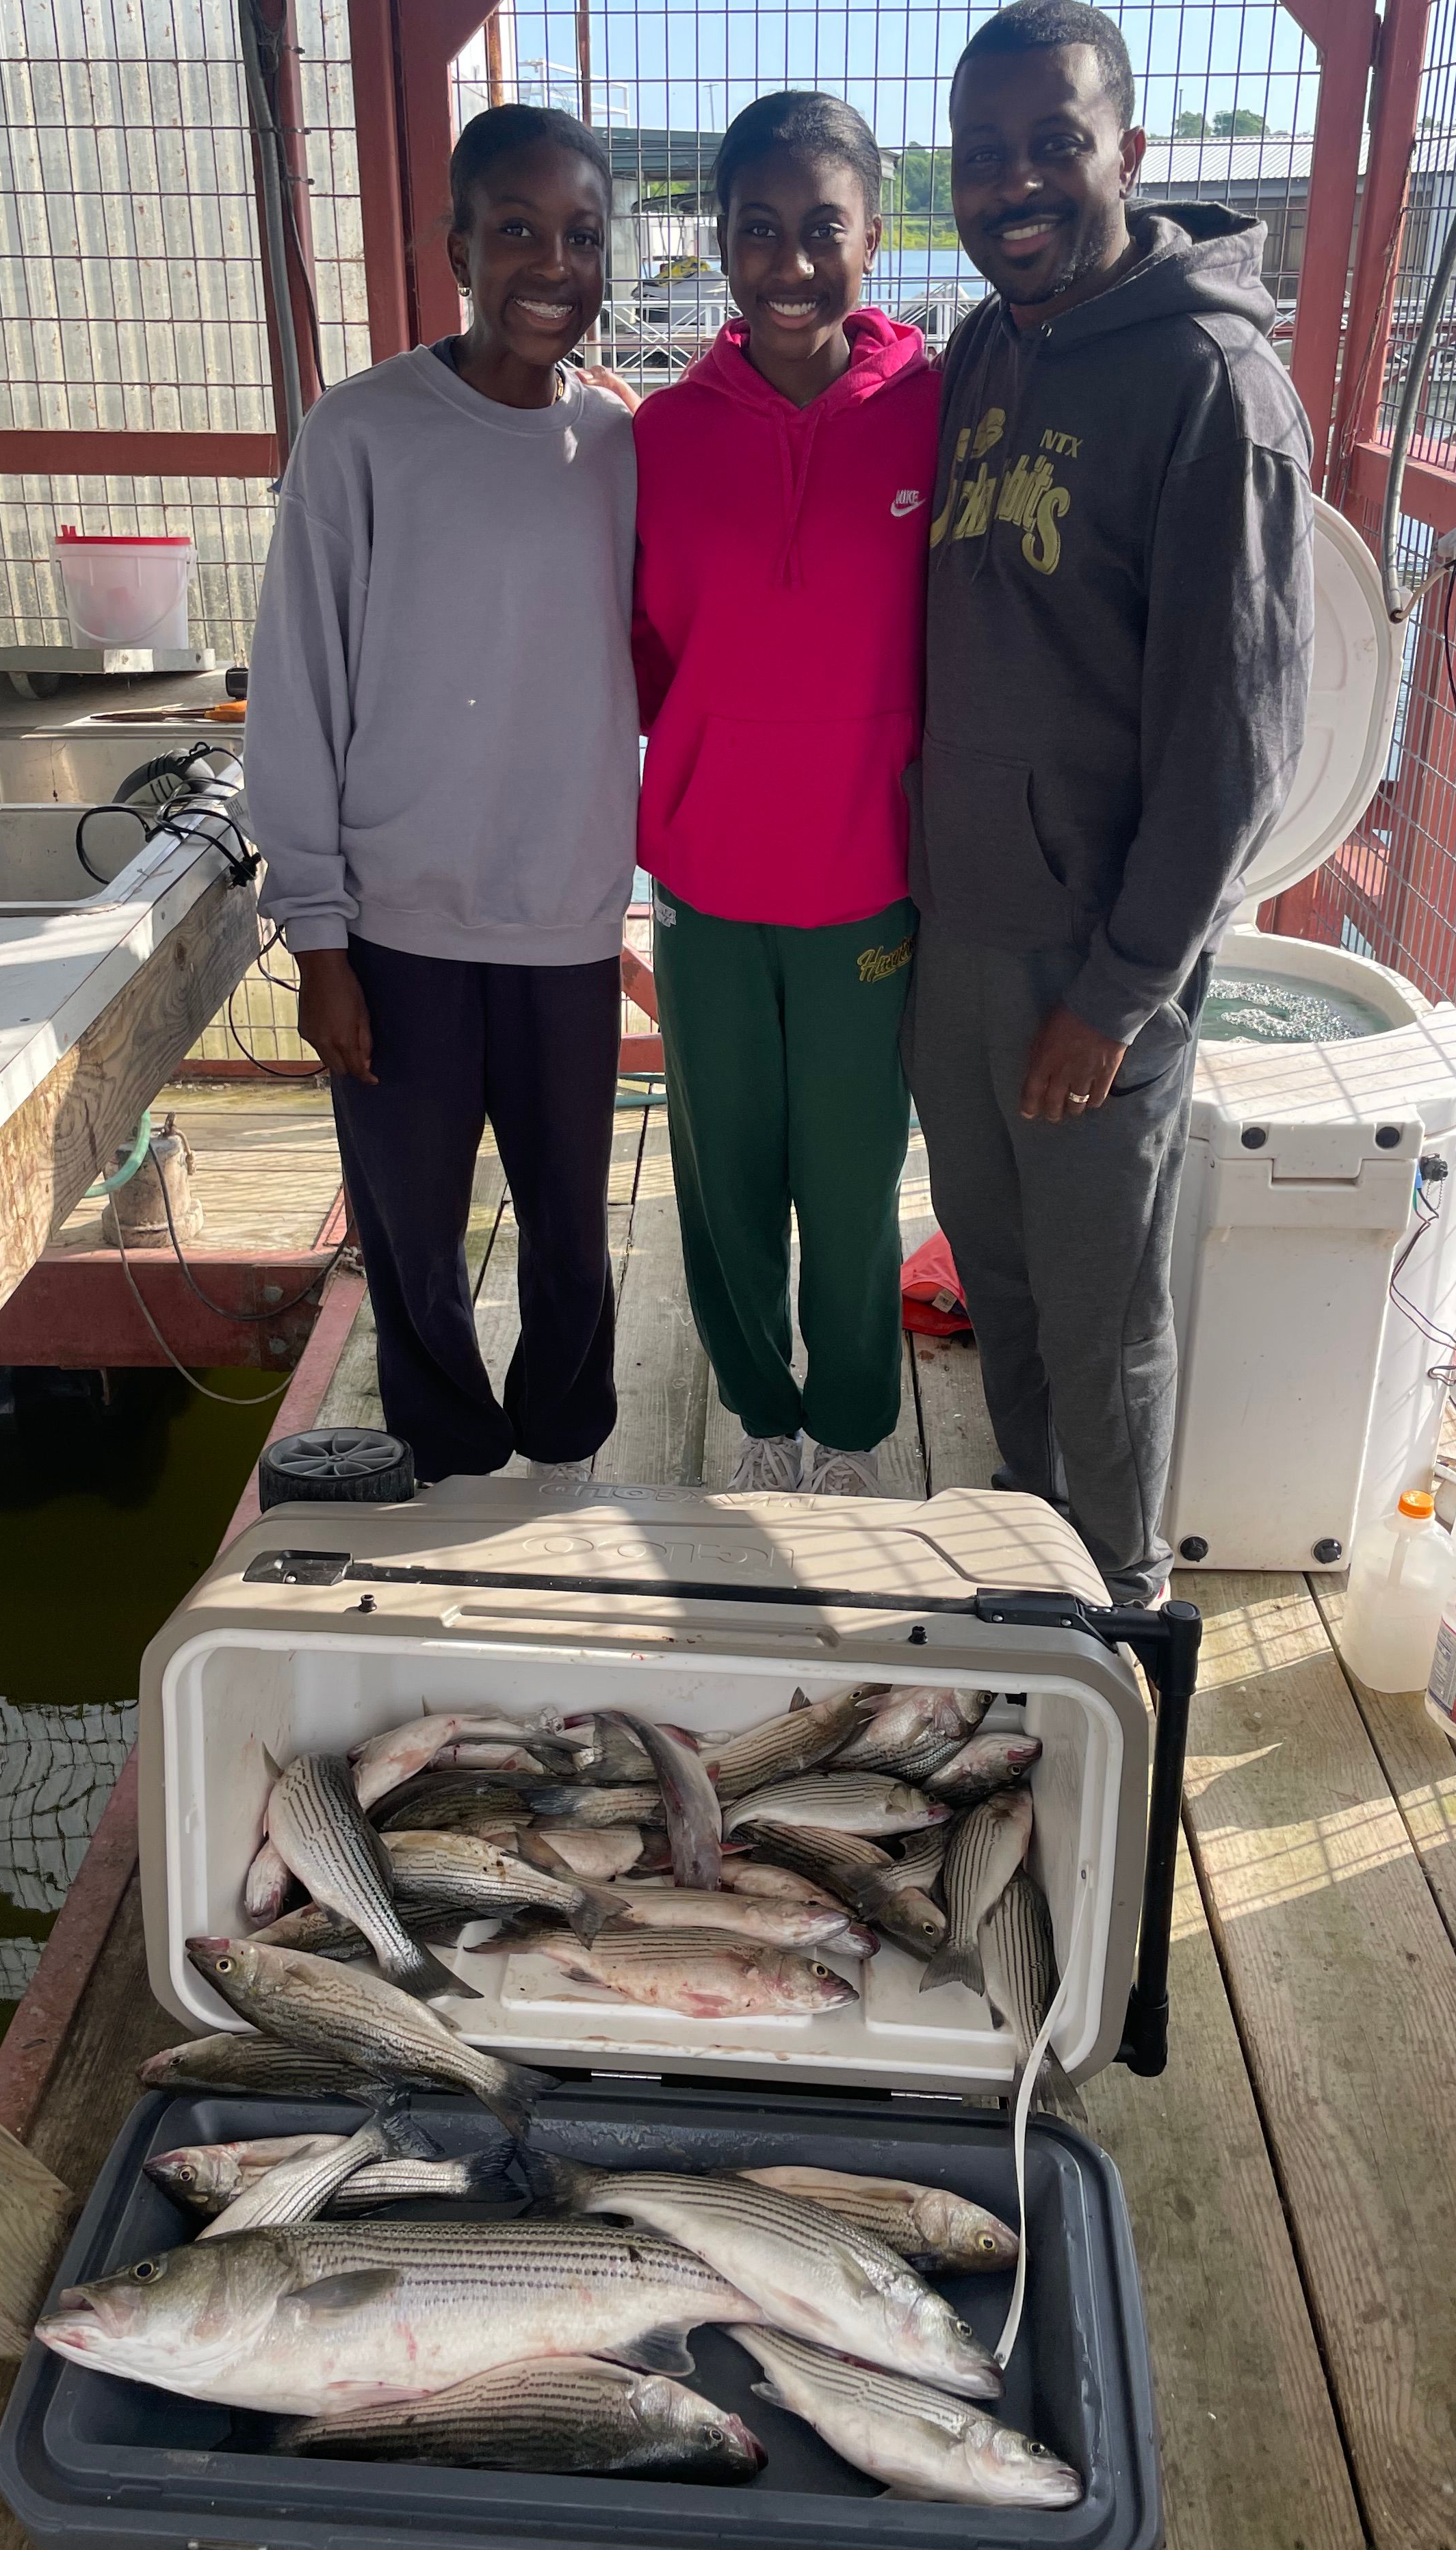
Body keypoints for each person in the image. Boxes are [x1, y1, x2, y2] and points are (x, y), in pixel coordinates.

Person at [905, 0, 1314, 1602]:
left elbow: (1240, 743)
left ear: (1127, 155)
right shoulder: (982, 349)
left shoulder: (1215, 387)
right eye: (983, 151)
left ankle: (1125, 1607)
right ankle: (1028, 1553)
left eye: (1053, 144)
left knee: (1101, 1310)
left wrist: (1122, 993)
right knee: (1000, 1283)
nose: (1015, 181)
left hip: (1094, 966)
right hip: (959, 937)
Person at [244, 104, 638, 1487]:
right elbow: (296, 689)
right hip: (399, 926)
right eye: (517, 229)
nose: (552, 262)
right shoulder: (362, 435)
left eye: (582, 234)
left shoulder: (623, 452)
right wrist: (318, 936)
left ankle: (568, 1444)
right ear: (455, 245)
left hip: (566, 920)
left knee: (569, 1223)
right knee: (413, 1219)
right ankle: (448, 1452)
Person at [632, 91, 939, 1498]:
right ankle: (757, 1409)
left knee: (856, 1177)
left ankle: (858, 1425)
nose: (793, 263)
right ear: (724, 244)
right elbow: (639, 654)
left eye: (823, 228)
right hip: (704, 878)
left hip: (868, 876)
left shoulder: (936, 414)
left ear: (873, 236)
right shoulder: (663, 436)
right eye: (760, 231)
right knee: (724, 1177)